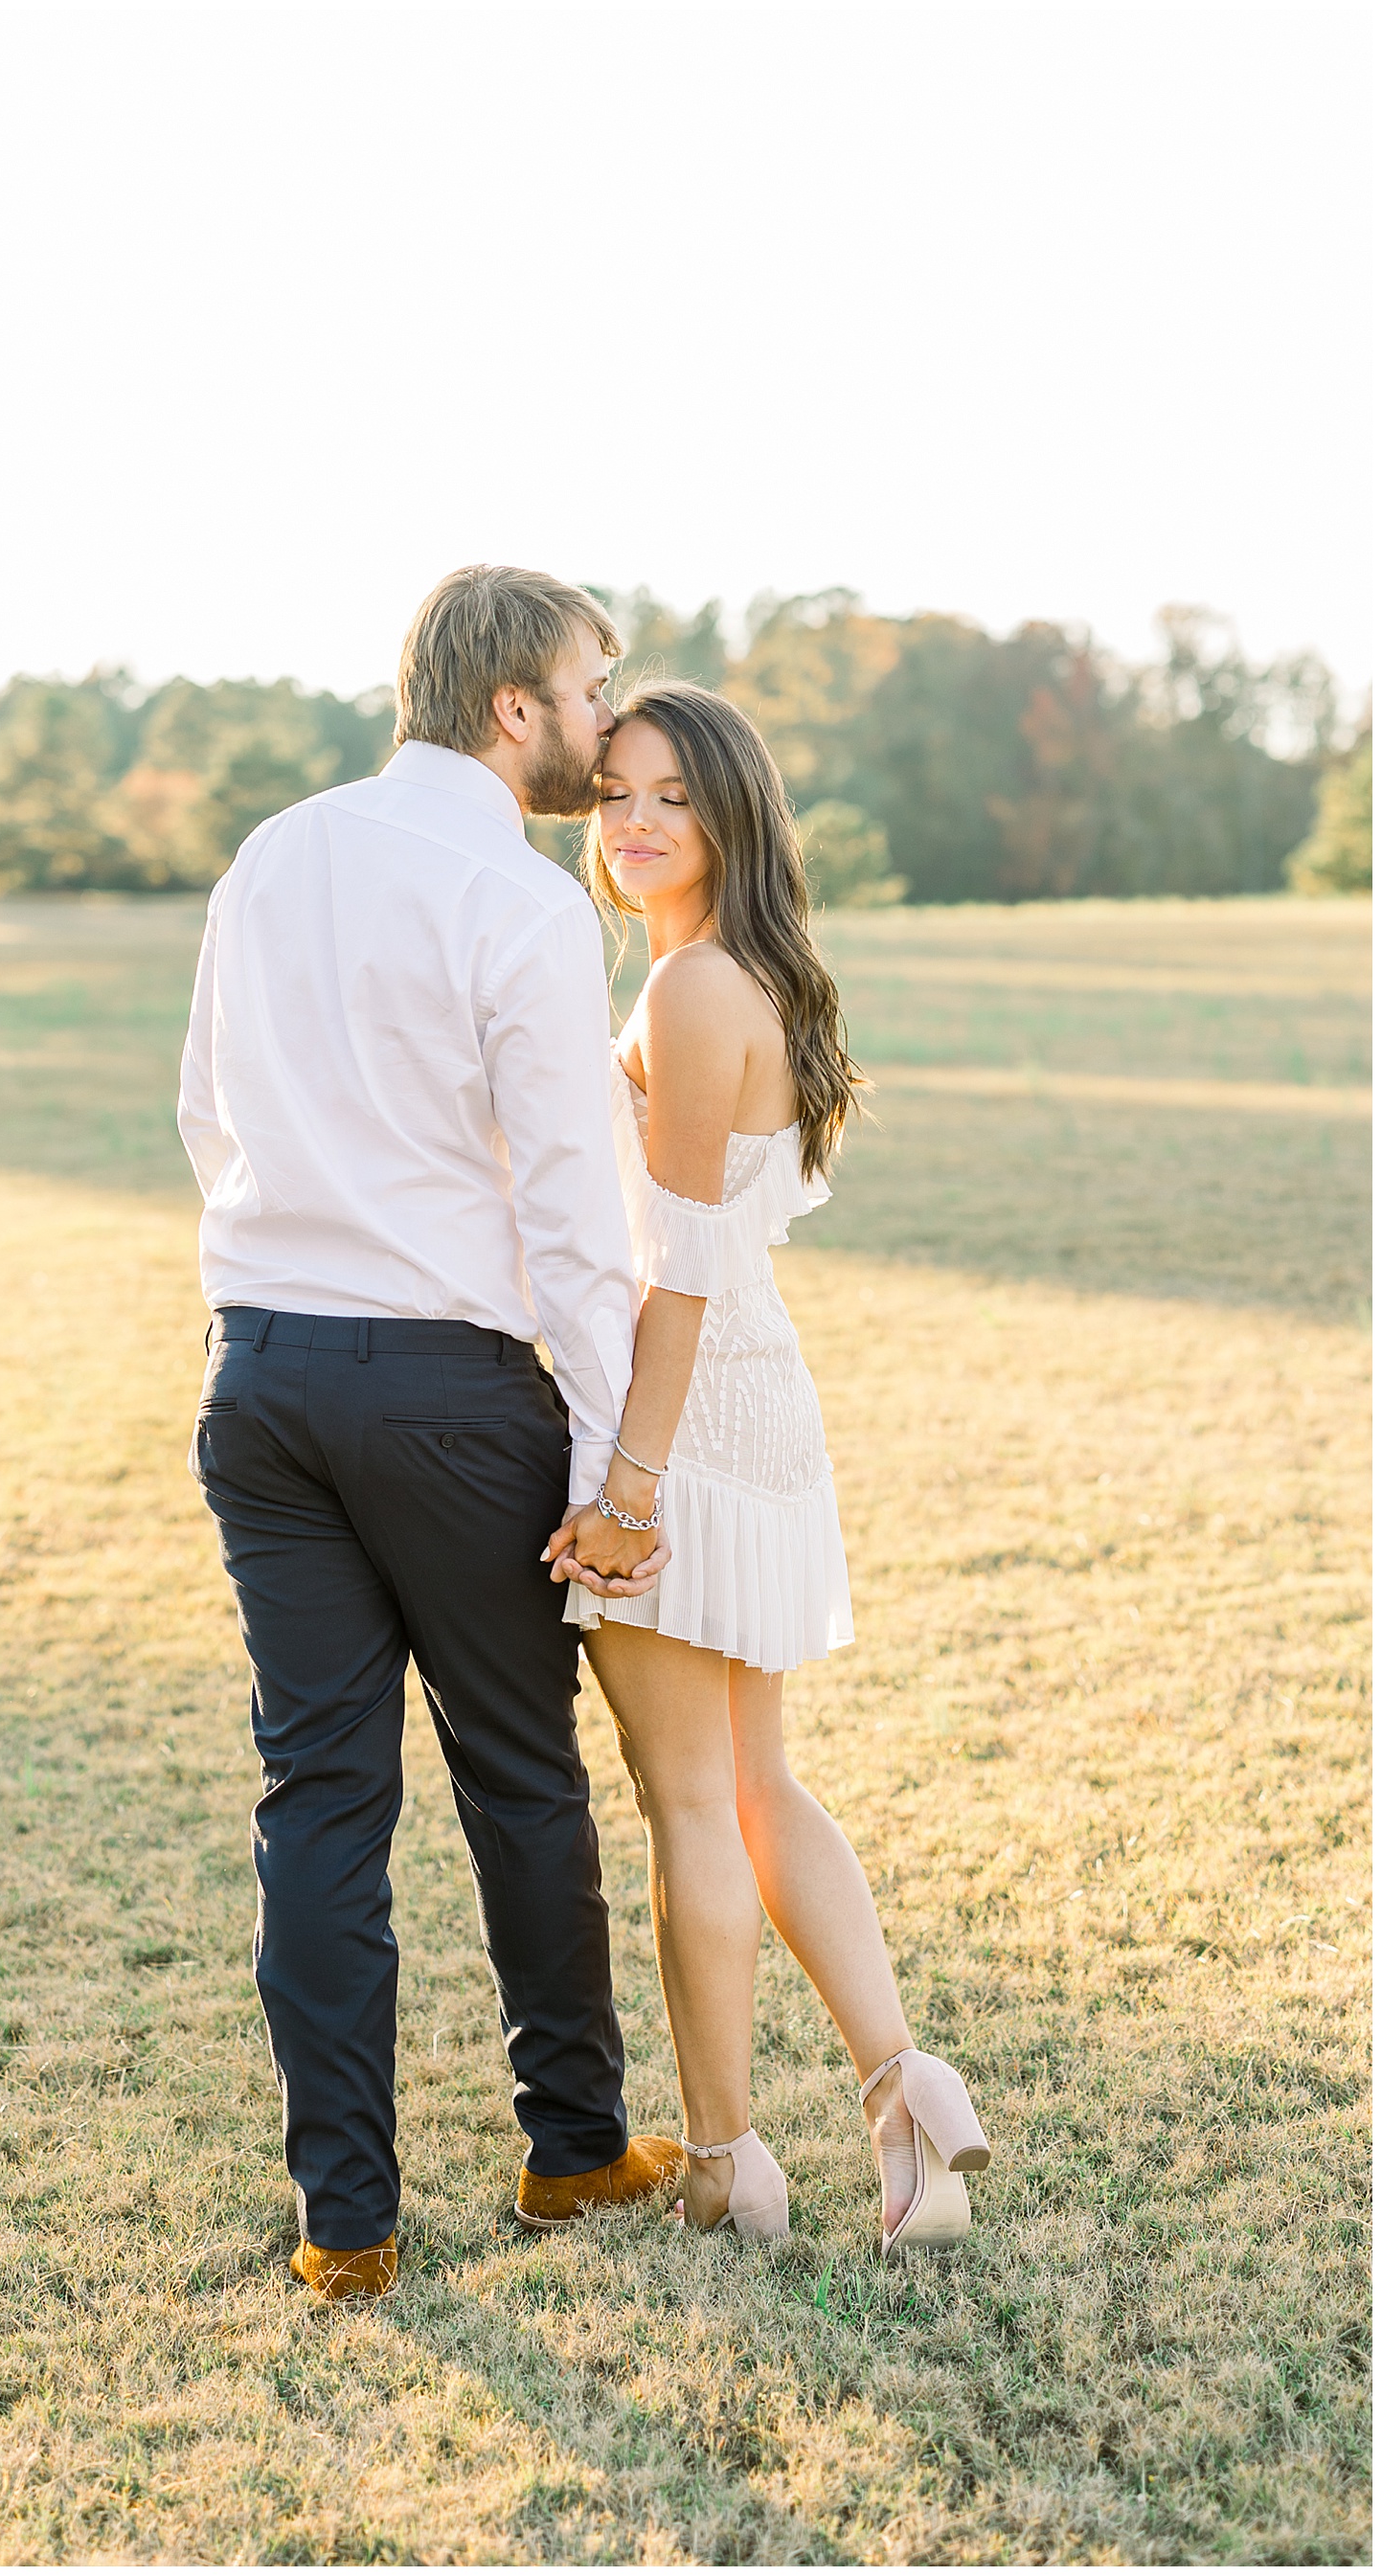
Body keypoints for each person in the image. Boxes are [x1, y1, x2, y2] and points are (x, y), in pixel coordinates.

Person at [177, 566, 686, 2303]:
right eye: (593, 686)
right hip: (447, 1391)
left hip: (259, 1377)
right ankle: (571, 2147)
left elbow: (203, 1112)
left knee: (317, 1797)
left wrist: (273, 1286)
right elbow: (568, 1215)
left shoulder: (271, 852)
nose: (613, 719)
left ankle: (347, 2222)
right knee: (519, 1773)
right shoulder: (520, 901)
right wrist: (623, 1468)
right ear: (513, 709)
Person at [545, 682, 992, 2257]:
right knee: (755, 1782)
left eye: (672, 793)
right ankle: (907, 2087)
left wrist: (630, 1484)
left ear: (733, 813)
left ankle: (731, 2157)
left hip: (686, 1417)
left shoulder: (684, 993)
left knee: (689, 1802)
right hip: (759, 1402)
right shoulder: (758, 977)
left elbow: (674, 1273)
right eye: (614, 794)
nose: (637, 821)